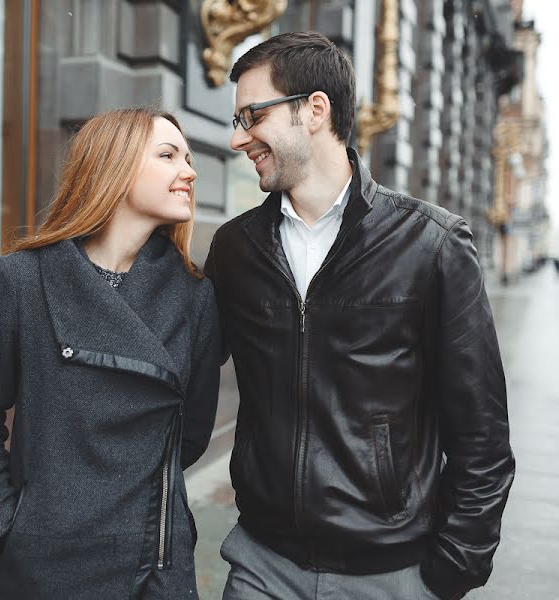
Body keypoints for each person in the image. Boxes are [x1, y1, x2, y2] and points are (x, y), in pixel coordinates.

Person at [205, 32, 514, 600]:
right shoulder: (234, 249)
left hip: (390, 574)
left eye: (251, 116)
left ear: (314, 110)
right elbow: (181, 376)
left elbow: (483, 437)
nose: (236, 139)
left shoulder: (432, 245)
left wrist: (450, 572)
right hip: (261, 565)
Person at [0, 107, 222, 599]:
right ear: (112, 165)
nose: (190, 171)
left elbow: (192, 434)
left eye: (188, 158)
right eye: (168, 155)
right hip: (44, 564)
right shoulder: (25, 279)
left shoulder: (194, 295)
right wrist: (8, 525)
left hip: (154, 564)